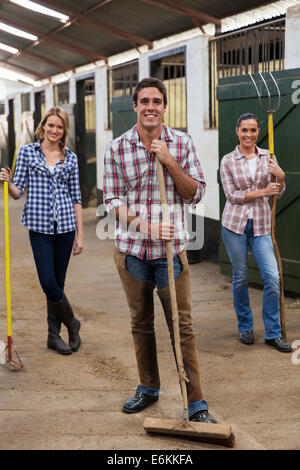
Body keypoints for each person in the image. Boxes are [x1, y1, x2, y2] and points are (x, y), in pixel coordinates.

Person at [103, 77, 217, 423]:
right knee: (141, 323)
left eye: (156, 101)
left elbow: (195, 193)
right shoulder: (117, 148)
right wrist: (147, 227)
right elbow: (111, 201)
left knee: (182, 326)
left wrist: (168, 160)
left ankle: (195, 402)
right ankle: (148, 387)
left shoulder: (181, 143)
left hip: (172, 254)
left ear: (165, 107)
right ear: (135, 106)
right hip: (132, 252)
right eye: (144, 101)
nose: (150, 106)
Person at [0, 106, 83, 356]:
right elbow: (18, 192)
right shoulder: (27, 152)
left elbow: (76, 197)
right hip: (39, 227)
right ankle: (72, 322)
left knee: (57, 282)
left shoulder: (71, 158)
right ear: (43, 126)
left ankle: (53, 335)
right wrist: (7, 181)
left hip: (66, 226)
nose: (54, 130)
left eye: (59, 127)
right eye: (51, 125)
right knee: (48, 282)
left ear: (63, 130)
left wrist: (80, 234)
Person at [220, 112, 291, 353]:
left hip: (261, 225)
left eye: (253, 130)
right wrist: (262, 192)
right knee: (240, 277)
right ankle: (245, 327)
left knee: (272, 277)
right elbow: (232, 196)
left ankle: (272, 333)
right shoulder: (228, 160)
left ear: (258, 132)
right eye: (244, 130)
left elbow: (277, 192)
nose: (248, 135)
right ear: (237, 131)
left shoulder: (268, 158)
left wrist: (281, 177)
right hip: (234, 226)